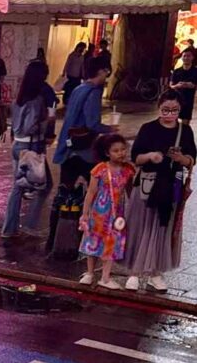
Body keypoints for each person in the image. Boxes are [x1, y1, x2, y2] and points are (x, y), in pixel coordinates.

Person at [123, 90, 196, 292]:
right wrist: (150, 156)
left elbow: (191, 160)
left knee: (163, 228)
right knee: (141, 226)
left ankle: (155, 272)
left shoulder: (185, 131)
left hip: (171, 185)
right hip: (147, 185)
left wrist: (181, 159)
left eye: (174, 110)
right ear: (159, 107)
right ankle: (135, 272)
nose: (170, 114)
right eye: (165, 110)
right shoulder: (148, 128)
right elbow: (136, 157)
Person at [1, 61, 54, 240]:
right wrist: (47, 121)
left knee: (19, 187)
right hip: (31, 147)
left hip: (18, 145)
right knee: (45, 185)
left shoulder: (20, 97)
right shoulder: (36, 100)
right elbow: (31, 126)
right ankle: (29, 224)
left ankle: (10, 228)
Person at [77, 134, 133, 290]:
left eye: (123, 149)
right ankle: (89, 273)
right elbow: (91, 192)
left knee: (112, 243)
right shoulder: (100, 169)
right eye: (116, 150)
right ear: (107, 153)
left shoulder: (128, 170)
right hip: (98, 212)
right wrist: (85, 212)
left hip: (117, 214)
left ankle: (105, 277)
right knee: (93, 241)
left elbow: (129, 192)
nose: (121, 153)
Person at [53, 60, 111, 185]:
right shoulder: (93, 92)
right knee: (97, 188)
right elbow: (92, 123)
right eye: (106, 72)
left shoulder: (78, 89)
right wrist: (110, 129)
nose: (107, 75)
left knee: (65, 190)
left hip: (68, 146)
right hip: (84, 149)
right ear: (100, 72)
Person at [170, 47, 197, 125]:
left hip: (188, 102)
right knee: (173, 123)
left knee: (185, 125)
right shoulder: (176, 71)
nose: (186, 58)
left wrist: (192, 86)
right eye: (184, 56)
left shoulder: (195, 72)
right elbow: (171, 86)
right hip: (176, 101)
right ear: (181, 57)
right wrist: (178, 85)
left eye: (188, 56)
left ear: (192, 57)